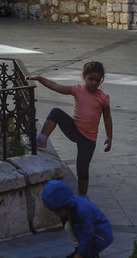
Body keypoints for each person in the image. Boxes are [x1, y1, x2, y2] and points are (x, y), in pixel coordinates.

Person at [27, 60, 112, 195]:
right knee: (56, 112)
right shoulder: (77, 90)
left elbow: (107, 117)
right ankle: (42, 140)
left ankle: (82, 197)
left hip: (88, 139)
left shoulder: (103, 98)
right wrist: (40, 78)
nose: (94, 83)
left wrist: (109, 136)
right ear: (84, 76)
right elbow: (56, 86)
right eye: (91, 79)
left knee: (82, 169)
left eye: (98, 80)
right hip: (74, 129)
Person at [41, 179, 113, 258]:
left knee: (81, 232)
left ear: (64, 205)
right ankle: (79, 251)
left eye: (57, 211)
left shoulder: (82, 211)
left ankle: (92, 256)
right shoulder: (71, 205)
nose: (57, 214)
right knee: (68, 226)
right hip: (90, 230)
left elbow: (88, 234)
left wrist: (81, 254)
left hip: (101, 235)